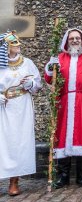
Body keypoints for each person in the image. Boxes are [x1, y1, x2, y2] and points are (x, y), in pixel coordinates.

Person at [44, 28, 82, 188]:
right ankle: (63, 177)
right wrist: (50, 67)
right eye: (72, 38)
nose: (75, 40)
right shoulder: (59, 58)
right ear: (66, 41)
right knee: (62, 137)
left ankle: (81, 176)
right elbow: (50, 80)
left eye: (78, 38)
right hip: (63, 102)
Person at [0, 31, 42, 196]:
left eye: (17, 43)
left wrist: (31, 83)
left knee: (18, 143)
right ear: (6, 47)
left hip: (22, 107)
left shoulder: (28, 63)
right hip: (4, 108)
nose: (18, 46)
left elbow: (37, 85)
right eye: (14, 44)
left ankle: (14, 181)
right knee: (4, 143)